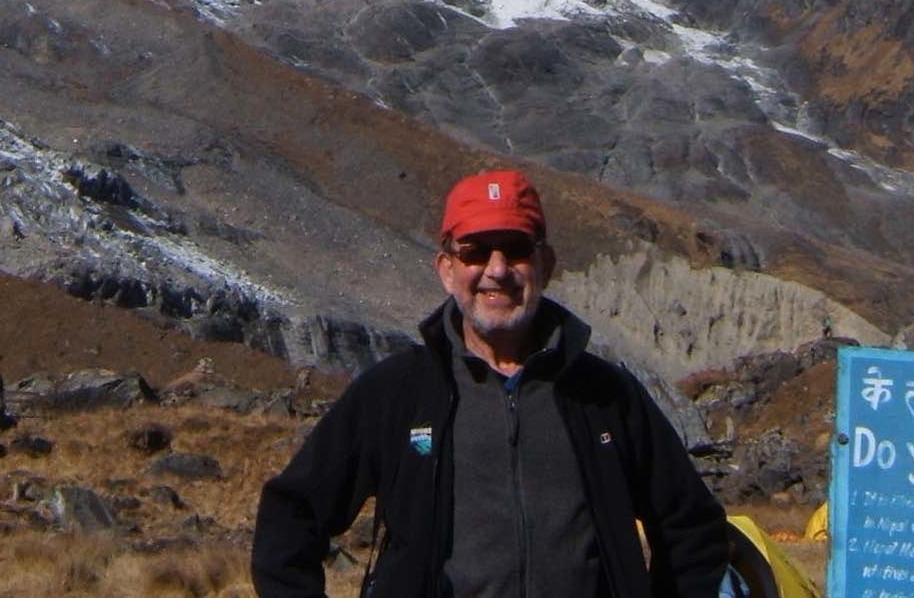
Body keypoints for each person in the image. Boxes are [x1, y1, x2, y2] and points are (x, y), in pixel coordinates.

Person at [252, 168, 728, 598]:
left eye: (516, 249)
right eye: (476, 252)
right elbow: (290, 516)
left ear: (545, 265)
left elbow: (692, 528)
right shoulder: (396, 393)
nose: (497, 271)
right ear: (447, 269)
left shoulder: (604, 396)